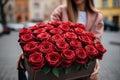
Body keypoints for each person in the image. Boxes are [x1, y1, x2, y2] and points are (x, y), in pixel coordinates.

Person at [50, 0, 104, 80]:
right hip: (63, 67)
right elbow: (51, 34)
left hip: (85, 67)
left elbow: (96, 42)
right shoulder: (60, 11)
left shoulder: (97, 16)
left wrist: (95, 60)